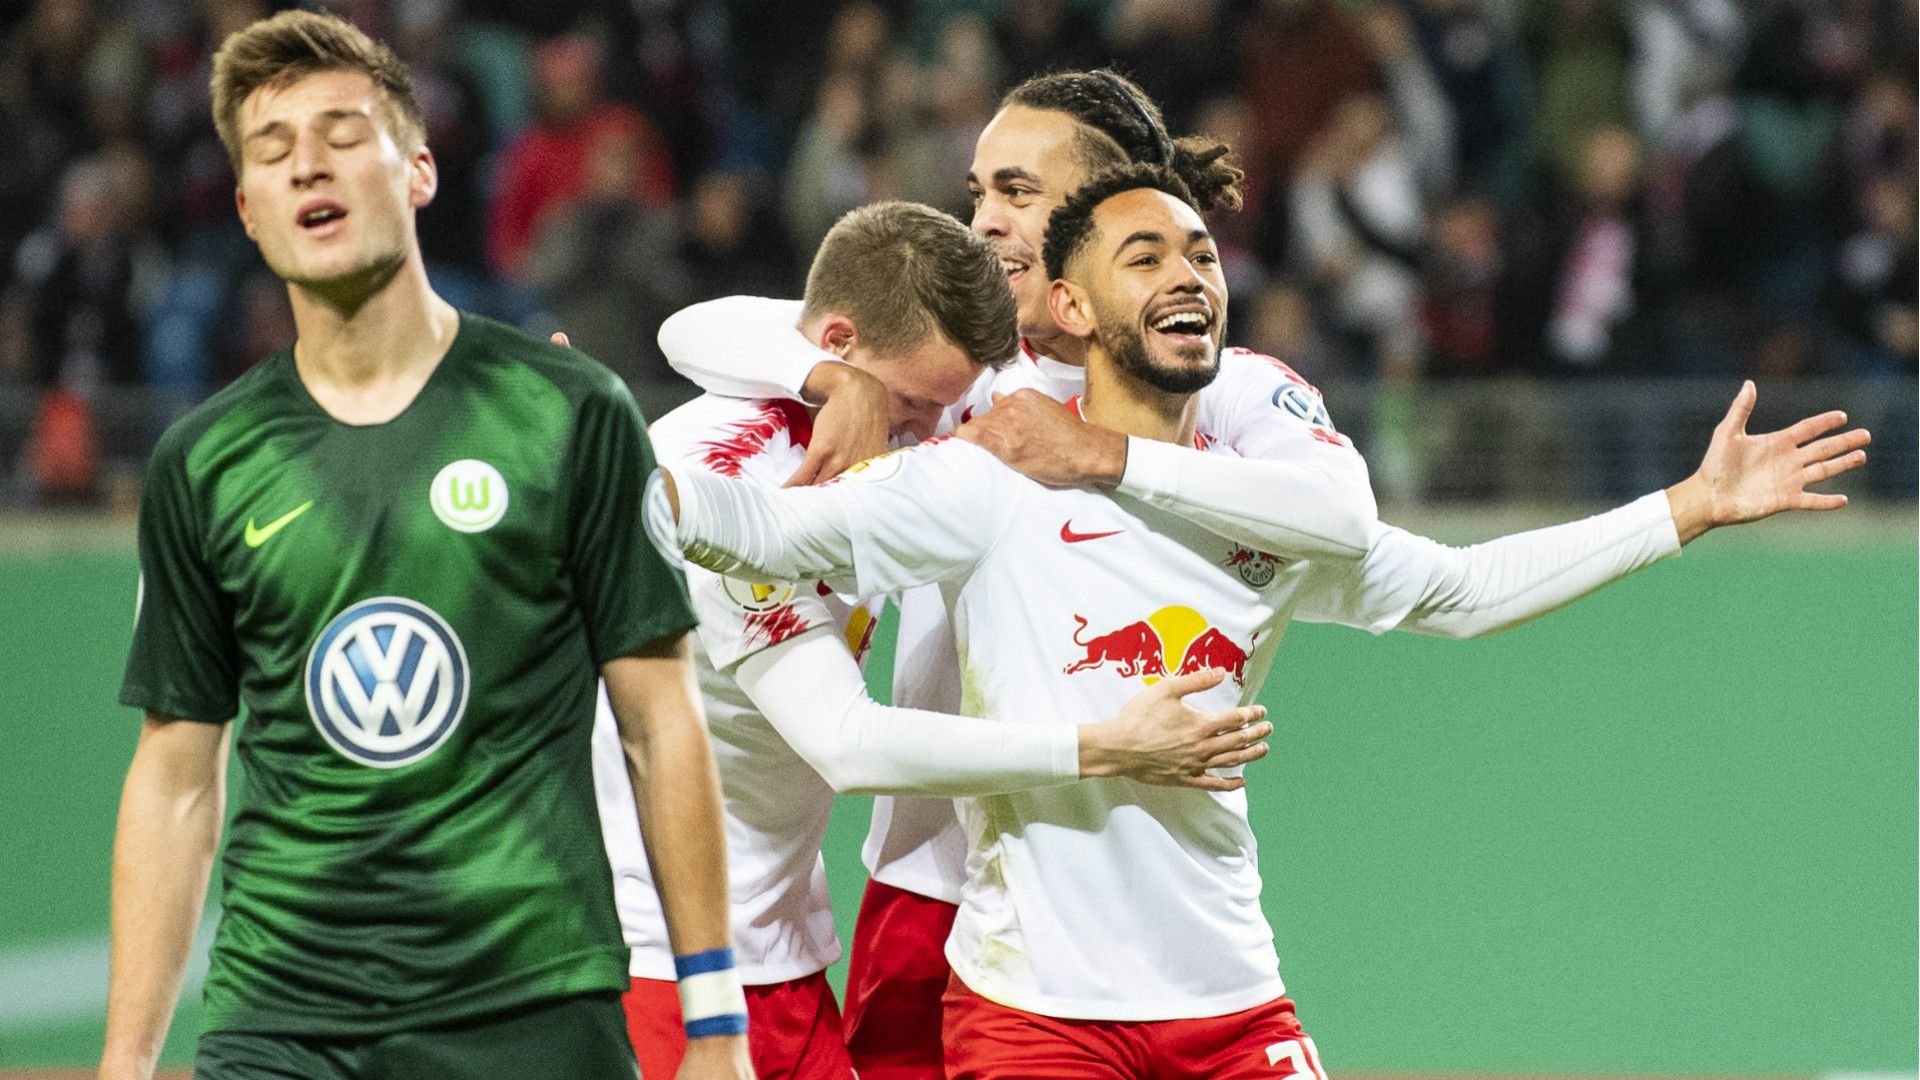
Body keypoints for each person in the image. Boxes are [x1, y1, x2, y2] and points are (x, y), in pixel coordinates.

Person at [650, 166, 1867, 1078]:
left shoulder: (1264, 506)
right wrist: (600, 453)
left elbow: (1457, 591)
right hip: (1031, 1015)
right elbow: (765, 530)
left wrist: (1686, 508)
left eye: (1201, 252)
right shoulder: (989, 476)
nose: (1188, 272)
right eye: (1145, 255)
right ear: (1066, 307)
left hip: (1233, 1005)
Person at [654, 68, 1375, 1079]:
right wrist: (831, 377)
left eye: (1018, 193)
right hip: (933, 880)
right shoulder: (959, 371)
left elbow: (1348, 522)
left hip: (1105, 900)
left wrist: (1111, 458)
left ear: (1103, 206)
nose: (985, 220)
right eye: (979, 190)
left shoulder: (1211, 395)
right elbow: (696, 328)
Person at [100, 12, 749, 1080]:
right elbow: (176, 780)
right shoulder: (200, 462)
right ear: (248, 213)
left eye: (344, 132)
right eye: (273, 150)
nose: (308, 161)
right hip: (281, 1023)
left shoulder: (569, 411)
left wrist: (717, 1025)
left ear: (420, 171)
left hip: (532, 1010)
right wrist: (125, 1066)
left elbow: (659, 723)